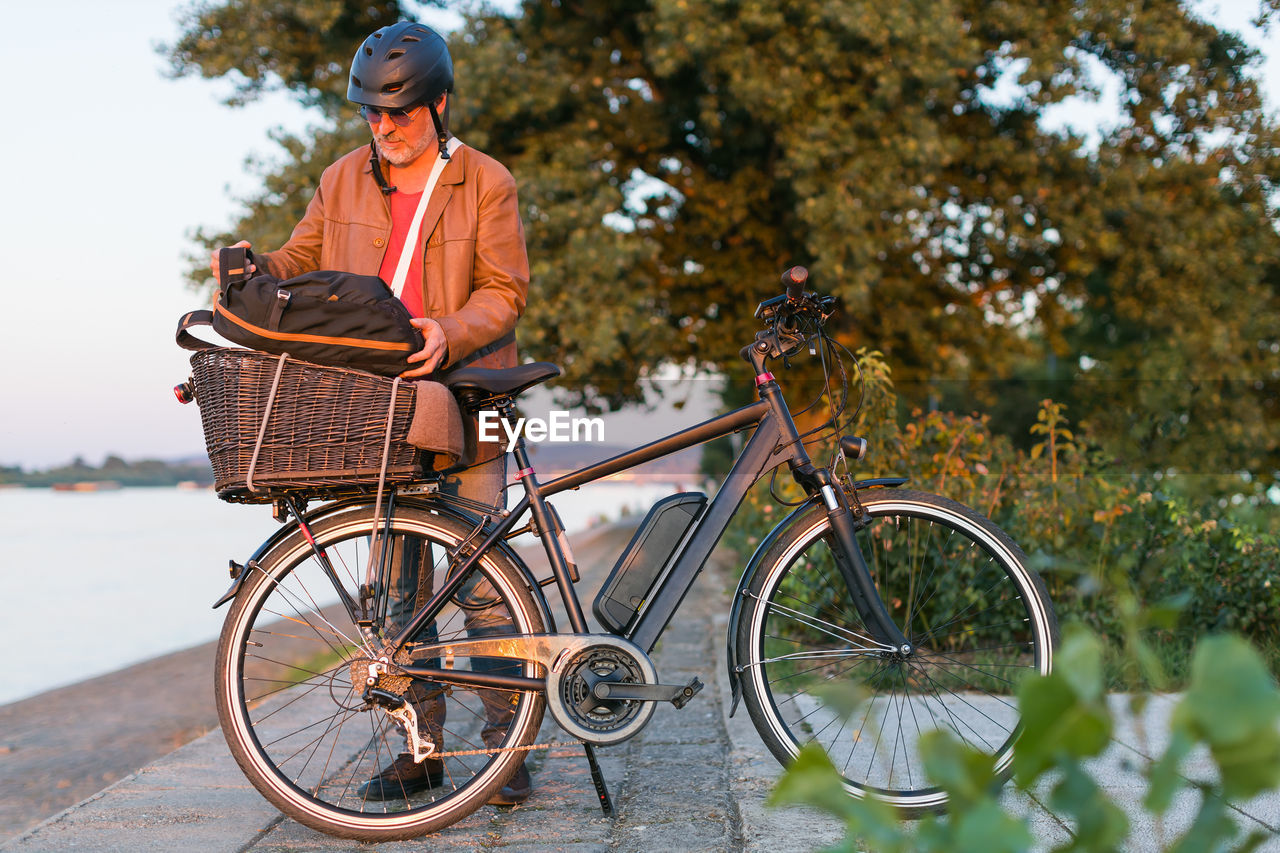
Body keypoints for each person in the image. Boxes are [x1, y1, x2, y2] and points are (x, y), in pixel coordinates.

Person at [210, 20, 533, 805]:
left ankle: (506, 751)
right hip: (379, 402)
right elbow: (300, 259)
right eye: (372, 113)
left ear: (440, 104)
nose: (384, 128)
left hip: (471, 396)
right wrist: (250, 266)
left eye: (401, 112)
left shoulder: (485, 180)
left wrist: (447, 330)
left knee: (482, 583)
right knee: (392, 591)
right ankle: (420, 748)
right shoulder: (342, 178)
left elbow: (505, 290)